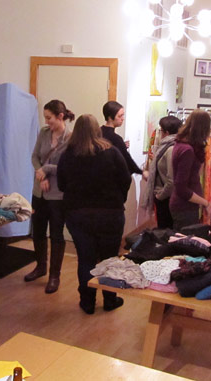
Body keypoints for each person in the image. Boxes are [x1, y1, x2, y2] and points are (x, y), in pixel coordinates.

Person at [57, 114, 131, 314]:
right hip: (110, 214)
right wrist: (118, 200)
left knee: (86, 259)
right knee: (109, 259)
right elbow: (126, 180)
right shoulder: (112, 152)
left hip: (78, 214)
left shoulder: (67, 155)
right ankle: (109, 299)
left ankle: (87, 302)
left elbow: (61, 185)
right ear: (97, 130)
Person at [24, 100, 74, 294]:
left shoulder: (71, 138)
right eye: (45, 118)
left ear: (60, 116)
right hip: (39, 190)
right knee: (37, 230)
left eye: (49, 118)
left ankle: (55, 275)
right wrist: (39, 172)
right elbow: (34, 157)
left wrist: (47, 170)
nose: (47, 122)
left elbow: (68, 167)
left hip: (58, 194)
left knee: (56, 234)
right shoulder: (44, 133)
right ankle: (40, 266)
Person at [169, 109, 211, 230]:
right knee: (185, 244)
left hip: (186, 205)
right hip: (184, 207)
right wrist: (205, 203)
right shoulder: (187, 150)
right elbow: (181, 187)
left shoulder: (182, 145)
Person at [140, 115, 182, 228]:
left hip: (166, 198)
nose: (159, 133)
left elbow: (171, 179)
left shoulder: (170, 148)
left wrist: (160, 196)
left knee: (165, 230)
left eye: (161, 131)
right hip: (167, 197)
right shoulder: (172, 146)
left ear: (167, 133)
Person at [101, 101, 142, 175]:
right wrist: (141, 172)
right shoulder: (116, 139)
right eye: (120, 116)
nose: (123, 119)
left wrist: (122, 146)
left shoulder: (97, 132)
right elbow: (127, 160)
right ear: (110, 117)